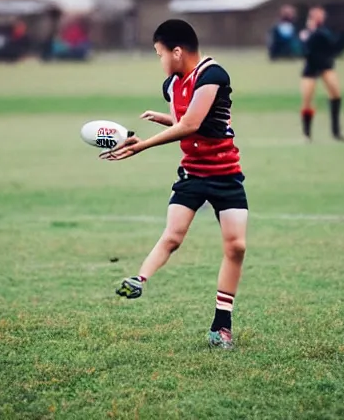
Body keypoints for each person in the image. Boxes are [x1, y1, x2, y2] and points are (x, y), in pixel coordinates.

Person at [100, 19, 248, 350]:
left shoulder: (213, 75)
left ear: (177, 51)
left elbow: (193, 124)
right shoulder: (171, 85)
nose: (160, 60)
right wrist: (160, 121)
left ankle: (221, 325)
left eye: (159, 53)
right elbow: (184, 122)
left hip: (225, 173)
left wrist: (142, 145)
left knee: (236, 247)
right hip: (193, 173)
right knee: (173, 236)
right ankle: (138, 279)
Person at [299, 7, 344, 142]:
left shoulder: (325, 32)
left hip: (326, 65)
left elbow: (334, 46)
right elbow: (305, 48)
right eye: (317, 15)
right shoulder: (307, 32)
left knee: (336, 95)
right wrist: (310, 31)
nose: (320, 17)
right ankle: (307, 134)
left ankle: (336, 131)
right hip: (311, 67)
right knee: (307, 100)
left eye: (321, 15)